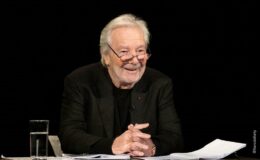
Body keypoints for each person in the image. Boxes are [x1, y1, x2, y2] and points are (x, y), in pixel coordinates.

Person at [59, 13, 183, 157]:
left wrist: (151, 147)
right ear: (106, 56)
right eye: (124, 52)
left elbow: (174, 137)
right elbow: (69, 136)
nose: (135, 60)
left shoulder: (159, 83)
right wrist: (112, 145)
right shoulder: (80, 81)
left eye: (140, 51)